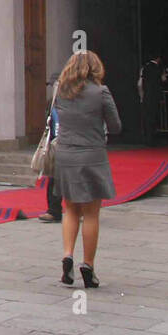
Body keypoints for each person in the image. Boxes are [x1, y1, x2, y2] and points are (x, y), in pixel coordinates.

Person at [52, 50, 120, 289]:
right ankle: (88, 265)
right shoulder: (101, 92)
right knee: (91, 213)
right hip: (92, 154)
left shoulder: (60, 91)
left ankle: (67, 255)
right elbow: (116, 125)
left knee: (69, 208)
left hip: (66, 154)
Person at [38, 92, 62, 223]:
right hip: (56, 144)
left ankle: (79, 208)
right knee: (54, 178)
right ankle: (54, 210)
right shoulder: (52, 104)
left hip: (73, 143)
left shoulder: (76, 102)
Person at [139, 52, 164, 145]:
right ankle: (152, 139)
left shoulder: (145, 67)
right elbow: (159, 83)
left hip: (146, 95)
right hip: (154, 96)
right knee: (153, 117)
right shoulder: (157, 69)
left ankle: (147, 138)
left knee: (147, 117)